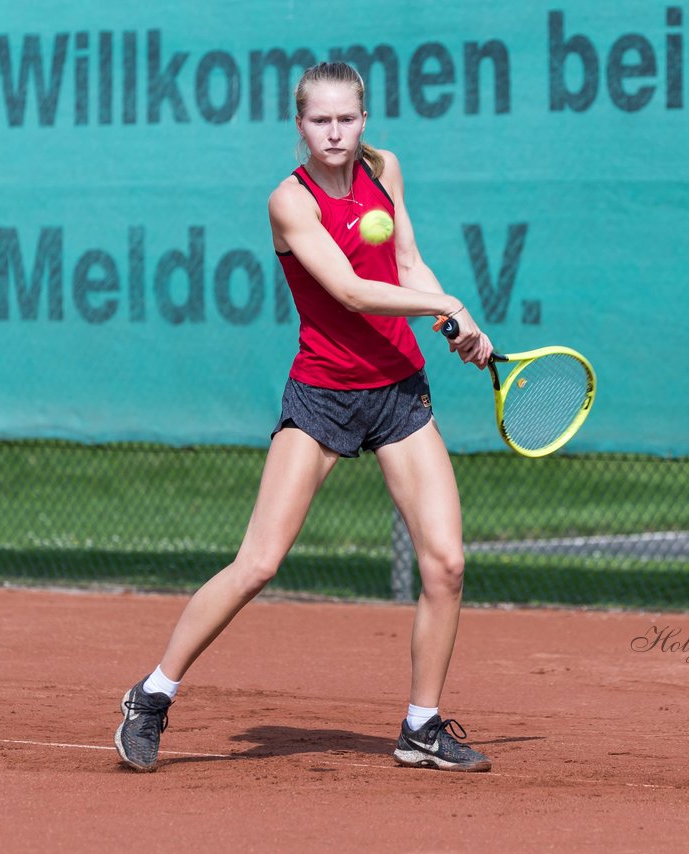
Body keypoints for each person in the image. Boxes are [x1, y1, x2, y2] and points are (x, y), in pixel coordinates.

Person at [114, 61, 494, 773]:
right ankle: (151, 696)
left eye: (346, 119)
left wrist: (452, 329)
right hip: (322, 393)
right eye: (320, 120)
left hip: (397, 391)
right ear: (300, 125)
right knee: (258, 563)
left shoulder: (385, 169)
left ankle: (421, 725)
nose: (334, 132)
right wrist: (450, 307)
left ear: (363, 118)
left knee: (446, 563)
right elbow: (351, 291)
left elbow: (406, 262)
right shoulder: (289, 202)